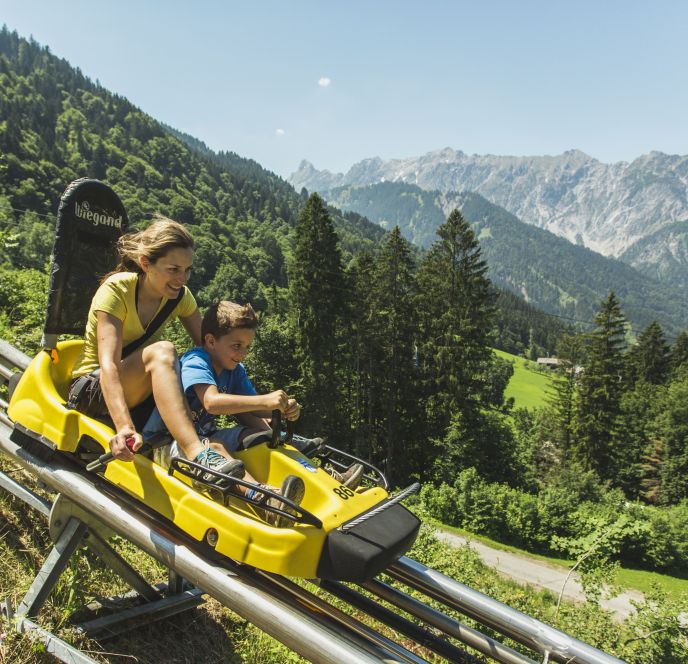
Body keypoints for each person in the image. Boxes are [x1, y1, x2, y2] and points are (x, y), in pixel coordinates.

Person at [67, 216, 304, 525]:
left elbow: (213, 356)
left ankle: (266, 499)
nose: (182, 278)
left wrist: (264, 414)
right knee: (163, 351)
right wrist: (124, 427)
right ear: (146, 263)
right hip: (94, 390)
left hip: (141, 394)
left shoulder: (179, 297)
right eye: (173, 269)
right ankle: (196, 452)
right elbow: (109, 365)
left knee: (213, 441)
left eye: (187, 269)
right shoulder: (117, 290)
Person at [144, 300, 363, 491]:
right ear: (211, 341)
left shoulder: (234, 370)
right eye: (236, 346)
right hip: (169, 445)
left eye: (247, 347)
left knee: (258, 434)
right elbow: (212, 403)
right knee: (217, 446)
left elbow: (254, 408)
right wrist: (266, 400)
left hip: (206, 438)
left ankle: (327, 481)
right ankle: (262, 495)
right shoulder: (197, 361)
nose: (242, 354)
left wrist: (283, 408)